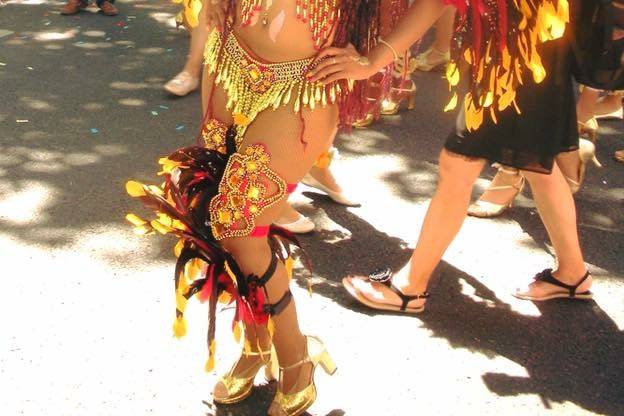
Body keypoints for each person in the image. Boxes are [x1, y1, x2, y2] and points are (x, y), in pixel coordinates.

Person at [126, 0, 403, 415]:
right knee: (220, 221)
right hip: (229, 59)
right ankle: (257, 344)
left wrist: (375, 59)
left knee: (239, 223)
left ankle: (296, 359)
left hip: (302, 87)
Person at [308, 0, 593, 312]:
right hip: (529, 49)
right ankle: (572, 273)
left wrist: (372, 61)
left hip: (517, 59)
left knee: (458, 165)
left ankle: (410, 287)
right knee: (535, 163)